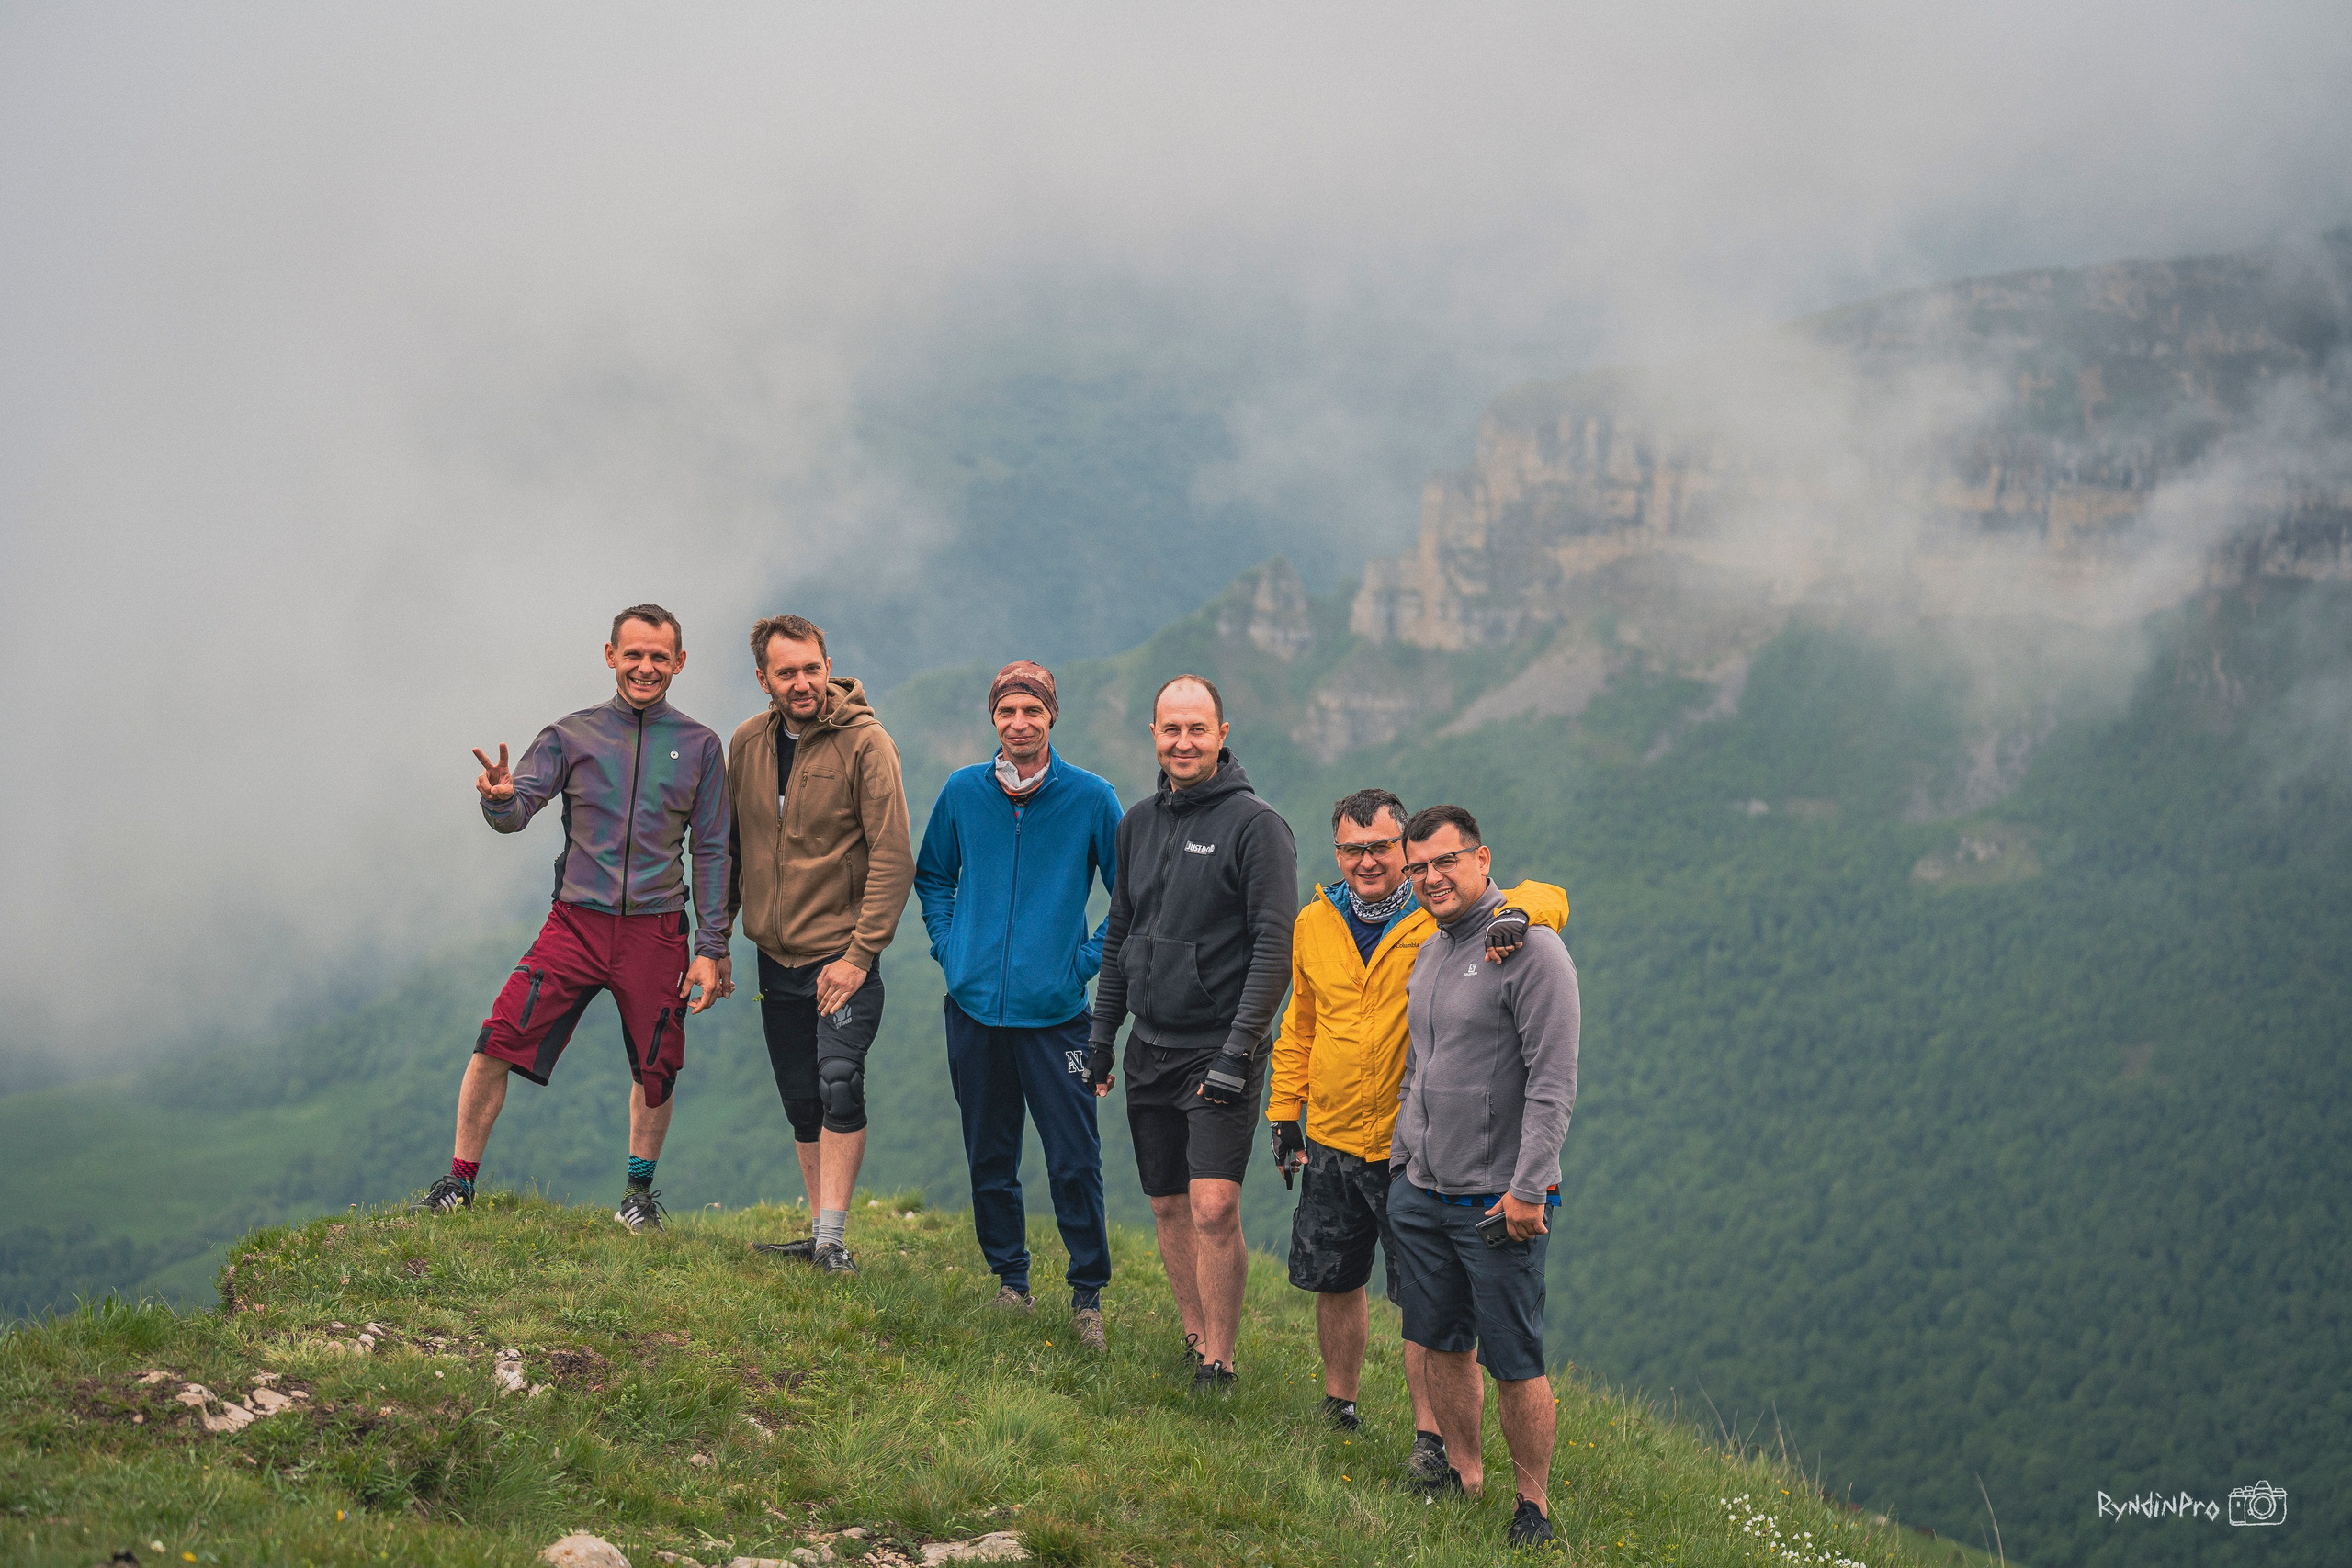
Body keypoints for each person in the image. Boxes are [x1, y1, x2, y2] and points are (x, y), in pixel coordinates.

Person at [1268, 787, 1567, 1484]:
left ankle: (1429, 1439)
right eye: (1352, 848)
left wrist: (1522, 913)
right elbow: (1299, 1021)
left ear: (1405, 851)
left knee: (1420, 1303)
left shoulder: (1438, 919)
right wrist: (1285, 1109)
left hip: (1412, 1148)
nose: (1367, 861)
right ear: (1336, 852)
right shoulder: (1314, 920)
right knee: (1335, 1278)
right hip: (1336, 1132)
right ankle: (1339, 1402)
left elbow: (1543, 895)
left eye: (1381, 847)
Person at [416, 604, 733, 1233]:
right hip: (576, 923)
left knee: (658, 1061)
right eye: (634, 654)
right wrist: (500, 801)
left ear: (680, 662)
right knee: (496, 1039)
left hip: (656, 926)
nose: (646, 667)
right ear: (610, 654)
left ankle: (637, 1196)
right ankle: (458, 1181)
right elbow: (519, 807)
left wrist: (712, 944)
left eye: (659, 656)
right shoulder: (571, 734)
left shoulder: (700, 746)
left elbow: (714, 848)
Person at [1086, 674, 1296, 1393]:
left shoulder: (1256, 825)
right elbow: (1120, 933)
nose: (1183, 742)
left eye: (1197, 729)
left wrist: (1240, 1050)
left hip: (1219, 1044)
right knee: (1169, 1202)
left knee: (1214, 1204)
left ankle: (1222, 1360)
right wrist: (1100, 1035)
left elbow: (1274, 944)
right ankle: (1194, 1332)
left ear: (1222, 733)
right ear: (1154, 735)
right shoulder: (1138, 821)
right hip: (1149, 1041)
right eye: (1170, 729)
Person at [1387, 804, 1579, 1550]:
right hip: (1423, 1190)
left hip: (1499, 1202)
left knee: (1514, 1359)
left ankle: (1531, 1503)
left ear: (1481, 857)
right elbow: (1419, 1066)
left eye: (1445, 861)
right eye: (1419, 867)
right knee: (1439, 1343)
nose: (1431, 877)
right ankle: (1465, 1475)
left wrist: (1531, 1187)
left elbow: (1552, 1081)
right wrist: (1405, 1164)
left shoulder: (1533, 950)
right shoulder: (1433, 951)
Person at [914, 661, 1123, 1348]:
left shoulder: (1092, 799)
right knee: (989, 1154)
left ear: (1052, 716)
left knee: (1073, 1158)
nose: (1020, 722)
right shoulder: (962, 791)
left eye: (1033, 710)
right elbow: (935, 874)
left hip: (1057, 1013)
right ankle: (1012, 1281)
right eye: (1008, 711)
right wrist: (952, 949)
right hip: (974, 1010)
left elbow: (1131, 899)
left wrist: (1082, 962)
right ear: (994, 719)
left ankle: (1086, 1293)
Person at [729, 615, 915, 1276]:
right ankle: (817, 1233)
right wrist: (714, 942)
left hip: (841, 955)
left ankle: (833, 1236)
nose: (803, 682)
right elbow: (732, 849)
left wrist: (860, 956)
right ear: (764, 680)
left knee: (840, 1083)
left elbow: (894, 857)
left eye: (812, 667)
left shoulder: (867, 744)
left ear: (828, 665)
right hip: (772, 956)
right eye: (787, 672)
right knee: (802, 1096)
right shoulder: (747, 744)